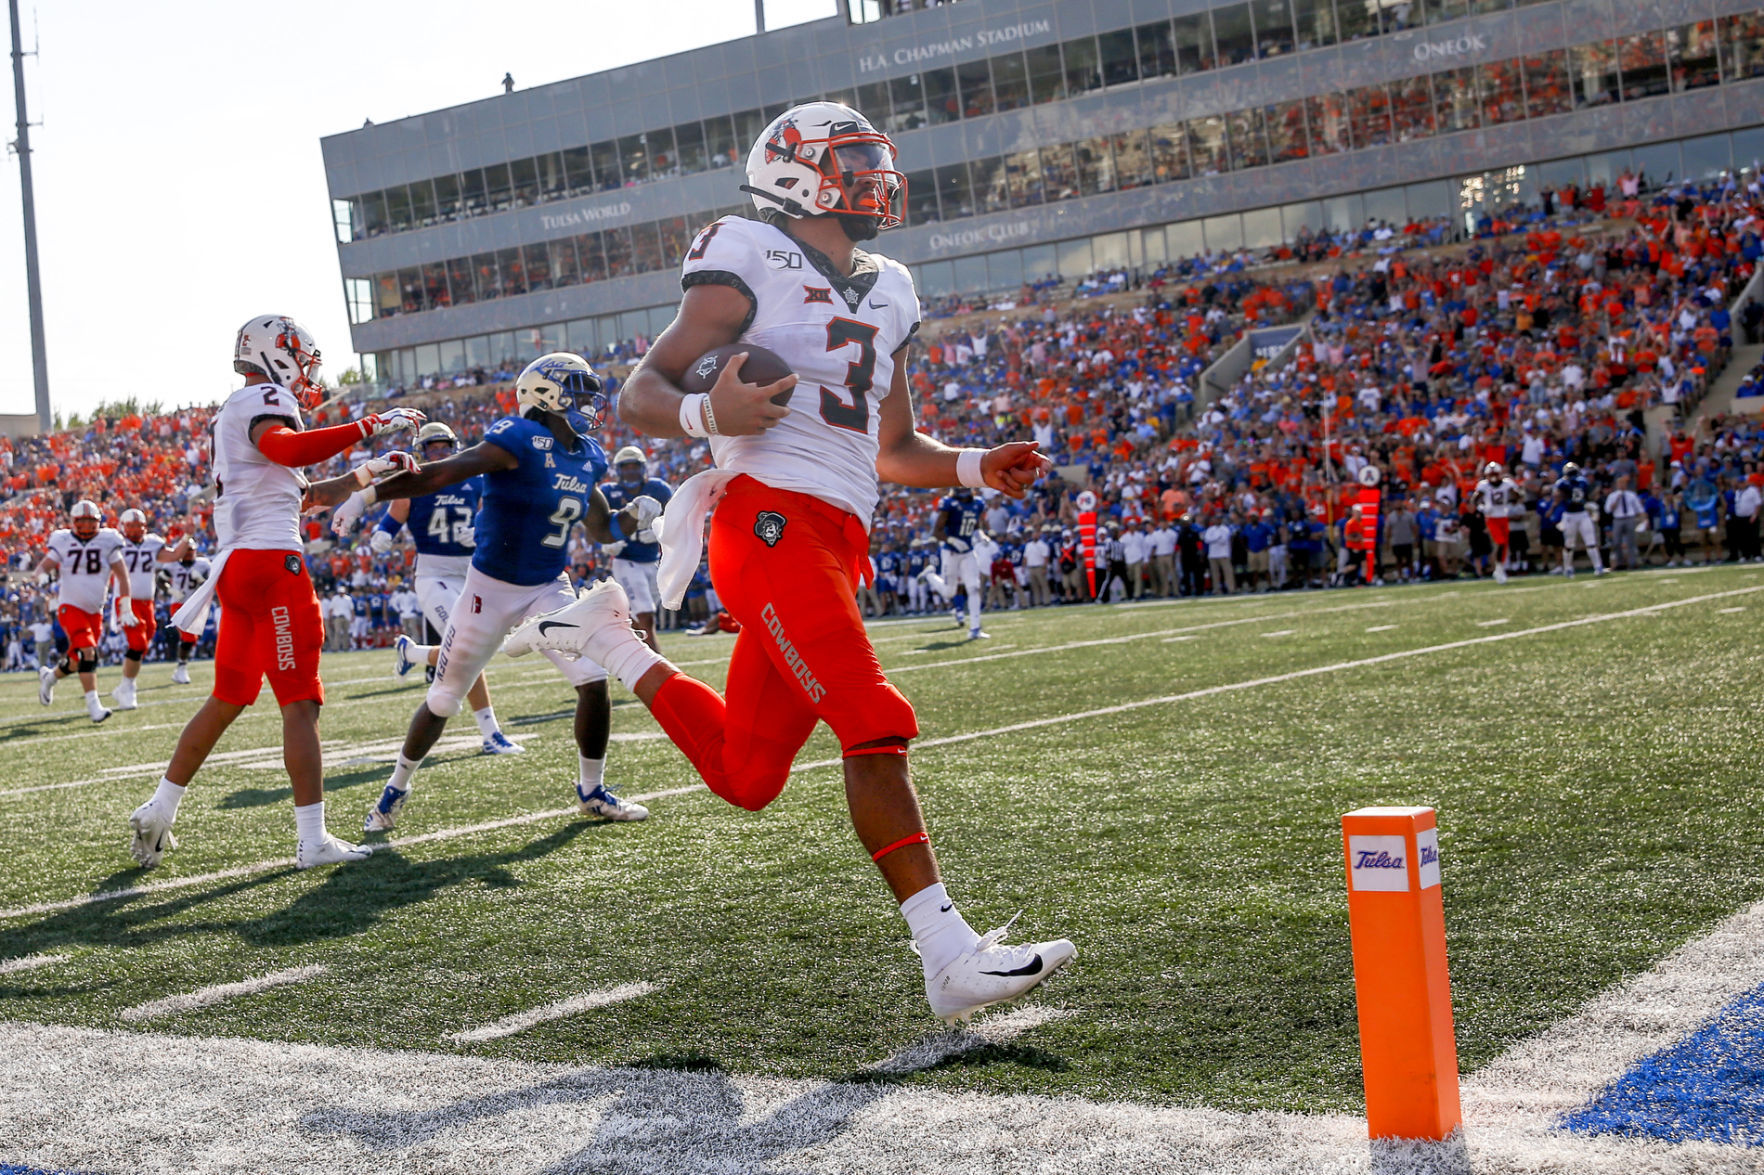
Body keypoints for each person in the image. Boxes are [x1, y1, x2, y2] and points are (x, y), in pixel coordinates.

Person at [503, 101, 1073, 1024]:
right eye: (852, 159)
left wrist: (974, 464)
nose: (875, 174)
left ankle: (613, 638)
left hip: (837, 533)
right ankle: (948, 953)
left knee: (747, 773)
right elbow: (645, 391)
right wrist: (708, 416)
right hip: (766, 521)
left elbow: (894, 448)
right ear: (798, 172)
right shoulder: (750, 252)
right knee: (871, 715)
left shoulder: (890, 288)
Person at [126, 315, 422, 871]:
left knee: (229, 698)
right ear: (276, 355)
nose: (308, 373)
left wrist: (373, 475)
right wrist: (370, 425)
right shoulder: (262, 398)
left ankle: (161, 805)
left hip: (239, 569)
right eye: (302, 360)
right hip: (270, 567)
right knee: (300, 702)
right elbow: (288, 452)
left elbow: (304, 493)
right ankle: (312, 840)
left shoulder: (237, 411)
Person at [322, 353, 656, 833]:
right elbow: (442, 472)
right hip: (488, 590)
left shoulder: (587, 455)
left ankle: (592, 791)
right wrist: (364, 496)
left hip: (548, 586)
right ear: (546, 394)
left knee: (593, 679)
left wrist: (635, 516)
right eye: (577, 389)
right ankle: (395, 787)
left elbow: (602, 528)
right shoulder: (517, 438)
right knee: (444, 697)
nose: (588, 401)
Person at [367, 421, 522, 755]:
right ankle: (490, 733)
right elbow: (392, 519)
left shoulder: (476, 481)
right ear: (421, 452)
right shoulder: (414, 483)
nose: (438, 454)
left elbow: (497, 520)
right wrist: (383, 534)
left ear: (454, 447)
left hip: (473, 571)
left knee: (480, 645)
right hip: (434, 572)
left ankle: (412, 653)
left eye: (443, 447)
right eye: (431, 448)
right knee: (467, 645)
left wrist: (480, 532)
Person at [34, 500, 134, 724]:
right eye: (83, 521)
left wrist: (125, 606)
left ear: (98, 522)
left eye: (91, 521)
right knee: (89, 652)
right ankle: (94, 706)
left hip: (95, 611)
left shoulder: (108, 541)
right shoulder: (63, 540)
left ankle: (50, 677)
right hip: (70, 606)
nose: (87, 526)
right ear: (74, 522)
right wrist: (41, 575)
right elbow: (43, 565)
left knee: (77, 660)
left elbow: (122, 575)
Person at [600, 445, 675, 650]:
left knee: (638, 615)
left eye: (634, 466)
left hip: (652, 560)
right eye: (626, 467)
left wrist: (659, 531)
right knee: (645, 613)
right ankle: (658, 661)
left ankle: (631, 655)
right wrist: (605, 542)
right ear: (618, 470)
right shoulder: (608, 492)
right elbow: (596, 525)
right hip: (626, 560)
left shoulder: (659, 489)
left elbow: (675, 518)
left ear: (643, 468)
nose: (630, 471)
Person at [111, 508, 184, 710]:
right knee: (138, 643)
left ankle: (124, 686)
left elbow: (174, 555)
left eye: (139, 525)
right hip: (127, 600)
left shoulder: (152, 542)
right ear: (124, 527)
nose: (136, 529)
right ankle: (127, 687)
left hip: (147, 602)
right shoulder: (116, 543)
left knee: (144, 641)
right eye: (132, 525)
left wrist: (187, 536)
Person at [923, 486, 988, 638]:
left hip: (968, 551)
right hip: (950, 551)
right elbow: (936, 532)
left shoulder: (977, 503)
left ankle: (975, 629)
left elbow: (976, 525)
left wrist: (980, 534)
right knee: (949, 592)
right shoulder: (949, 503)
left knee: (973, 587)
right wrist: (951, 540)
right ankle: (930, 575)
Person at [1469, 462, 1523, 584]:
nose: (1493, 477)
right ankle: (1498, 569)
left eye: (1495, 474)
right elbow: (1474, 500)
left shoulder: (1507, 483)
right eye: (1490, 474)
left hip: (1503, 516)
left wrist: (1514, 497)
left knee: (1504, 544)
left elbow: (1518, 495)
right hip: (1492, 517)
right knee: (1501, 542)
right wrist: (1482, 508)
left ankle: (1499, 569)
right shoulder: (1484, 486)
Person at [166, 543, 212, 684]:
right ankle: (181, 668)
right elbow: (161, 580)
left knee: (191, 639)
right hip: (178, 604)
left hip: (195, 604)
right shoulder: (173, 565)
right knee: (189, 637)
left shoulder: (203, 564)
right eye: (187, 550)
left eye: (191, 550)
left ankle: (181, 667)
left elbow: (210, 583)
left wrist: (200, 580)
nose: (189, 553)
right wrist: (172, 591)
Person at [1554, 461, 1607, 577]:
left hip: (1581, 513)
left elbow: (1585, 496)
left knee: (1591, 542)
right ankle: (1568, 568)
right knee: (1569, 544)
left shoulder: (1580, 482)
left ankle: (1598, 566)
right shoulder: (1565, 483)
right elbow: (1559, 496)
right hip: (1569, 515)